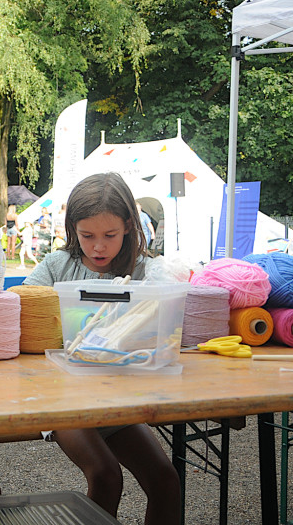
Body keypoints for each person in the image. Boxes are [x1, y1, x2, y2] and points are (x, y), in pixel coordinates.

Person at [23, 173, 177, 524]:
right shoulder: (56, 267)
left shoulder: (144, 271)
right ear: (72, 228)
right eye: (87, 235)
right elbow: (23, 309)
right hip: (62, 400)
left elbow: (166, 319)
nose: (98, 247)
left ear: (128, 226)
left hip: (116, 400)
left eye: (110, 236)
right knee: (106, 475)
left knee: (165, 480)